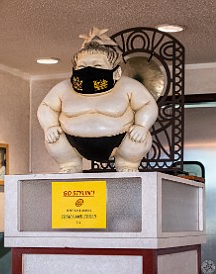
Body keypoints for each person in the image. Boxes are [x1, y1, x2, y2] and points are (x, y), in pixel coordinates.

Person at [37, 27, 158, 173]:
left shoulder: (128, 86)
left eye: (97, 65)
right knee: (53, 137)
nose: (89, 70)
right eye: (82, 66)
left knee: (140, 137)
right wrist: (49, 126)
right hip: (72, 141)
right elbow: (46, 107)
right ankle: (70, 165)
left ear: (116, 72)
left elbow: (147, 104)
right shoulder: (63, 88)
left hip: (120, 140)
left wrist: (142, 125)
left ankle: (127, 164)